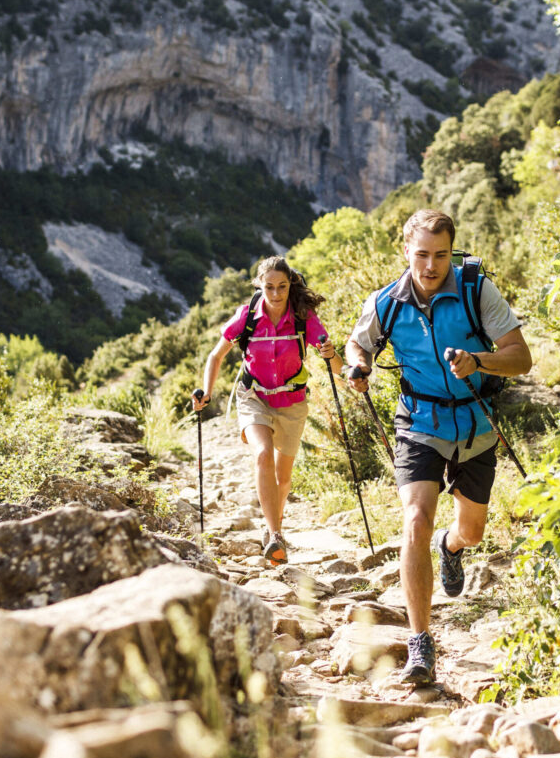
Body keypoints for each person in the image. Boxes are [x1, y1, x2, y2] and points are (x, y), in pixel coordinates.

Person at [345, 210, 532, 686]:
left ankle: (451, 549)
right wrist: (359, 367)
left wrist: (479, 360)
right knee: (415, 519)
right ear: (405, 251)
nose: (431, 266)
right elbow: (357, 343)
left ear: (453, 251)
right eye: (422, 254)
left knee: (470, 532)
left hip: (474, 423)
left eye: (441, 255)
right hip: (418, 422)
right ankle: (420, 642)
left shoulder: (475, 289)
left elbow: (521, 357)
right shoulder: (387, 302)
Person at [192, 256, 341, 566]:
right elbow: (216, 356)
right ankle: (275, 536)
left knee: (283, 478)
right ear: (259, 285)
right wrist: (207, 391)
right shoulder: (246, 317)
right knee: (262, 455)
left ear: (290, 285)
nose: (275, 294)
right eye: (269, 287)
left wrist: (334, 356)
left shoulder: (302, 317)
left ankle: (275, 527)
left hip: (292, 403)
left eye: (282, 287)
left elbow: (334, 363)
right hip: (254, 396)